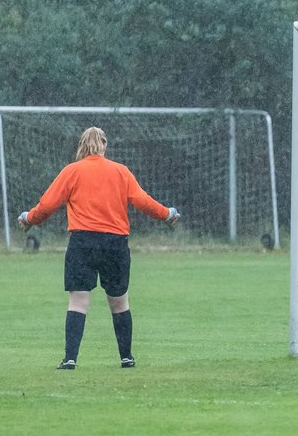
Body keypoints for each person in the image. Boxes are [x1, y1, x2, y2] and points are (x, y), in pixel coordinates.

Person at [18, 126, 180, 369]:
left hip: (83, 243)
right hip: (114, 243)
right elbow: (142, 201)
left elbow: (48, 204)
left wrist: (29, 219)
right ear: (104, 145)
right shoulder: (120, 171)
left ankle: (70, 359)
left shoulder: (72, 172)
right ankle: (126, 357)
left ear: (82, 146)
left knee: (78, 302)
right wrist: (166, 214)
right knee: (119, 302)